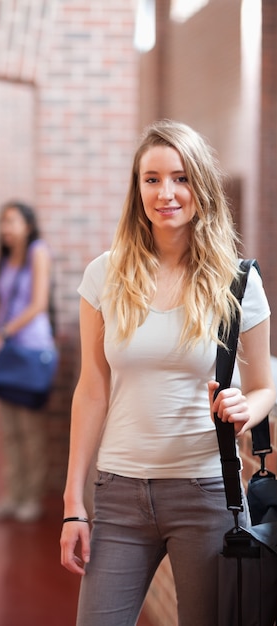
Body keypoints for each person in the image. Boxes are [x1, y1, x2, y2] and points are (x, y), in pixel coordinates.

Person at [60, 120, 276, 626]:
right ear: (137, 190)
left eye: (180, 177)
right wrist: (75, 500)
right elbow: (92, 388)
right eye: (151, 179)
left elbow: (266, 385)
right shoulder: (104, 275)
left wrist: (249, 407)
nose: (166, 193)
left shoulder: (238, 281)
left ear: (201, 185)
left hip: (207, 492)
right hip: (117, 492)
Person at [0, 200, 56, 524]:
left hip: (31, 351)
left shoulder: (38, 252)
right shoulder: (4, 258)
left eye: (11, 221)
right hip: (6, 351)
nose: (5, 228)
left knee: (30, 429)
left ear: (28, 224)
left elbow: (38, 303)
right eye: (2, 222)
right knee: (8, 430)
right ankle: (12, 495)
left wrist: (3, 332)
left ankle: (31, 497)